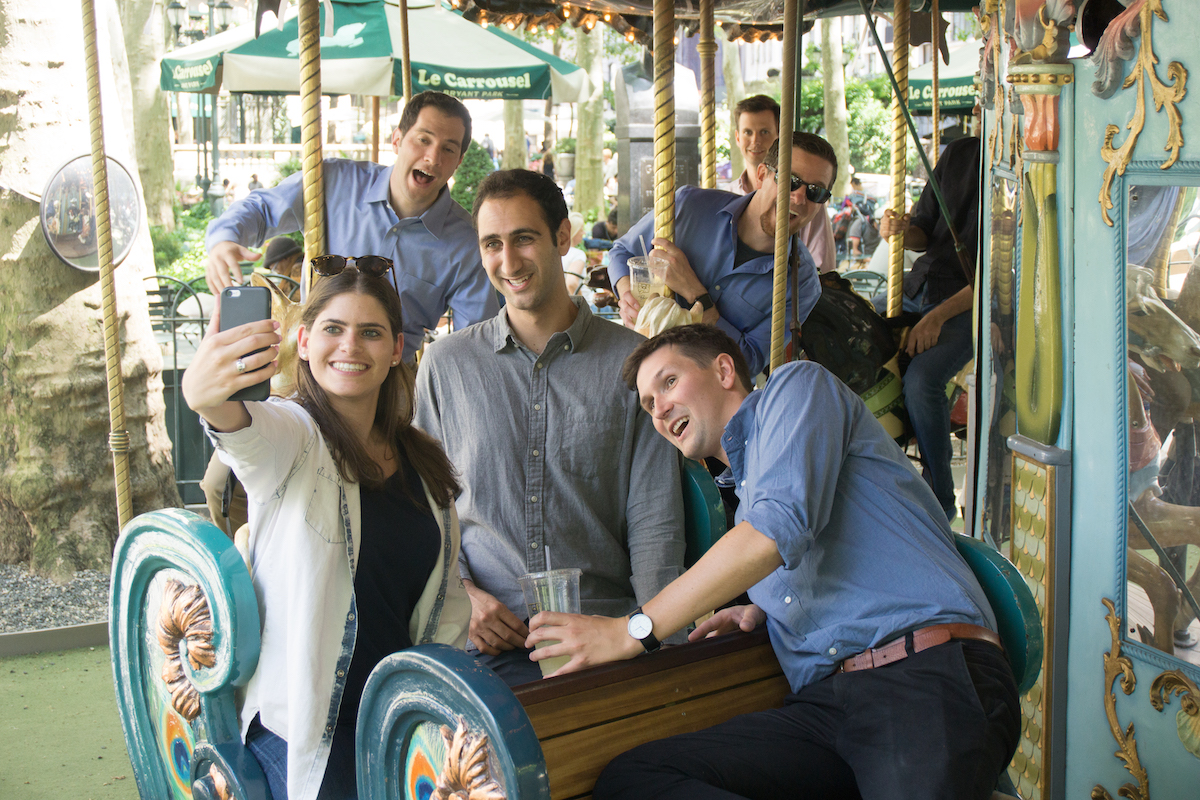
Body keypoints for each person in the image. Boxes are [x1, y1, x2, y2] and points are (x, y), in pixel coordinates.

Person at [527, 324, 1020, 800]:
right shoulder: (746, 498)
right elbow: (783, 537)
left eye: (669, 382)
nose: (660, 410)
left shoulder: (797, 387)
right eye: (649, 404)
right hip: (829, 707)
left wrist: (629, 631)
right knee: (635, 779)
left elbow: (774, 531)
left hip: (922, 675)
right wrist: (768, 608)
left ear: (724, 371)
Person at [181, 261, 471, 800]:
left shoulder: (423, 462)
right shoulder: (294, 437)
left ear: (396, 349)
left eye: (371, 332)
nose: (350, 346)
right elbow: (237, 423)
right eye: (333, 329)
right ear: (305, 342)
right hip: (308, 728)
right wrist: (205, 391)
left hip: (395, 718)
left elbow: (445, 603)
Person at [414, 170, 686, 686]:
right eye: (492, 244)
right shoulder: (446, 365)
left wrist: (655, 650)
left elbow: (655, 521)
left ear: (562, 238)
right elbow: (425, 506)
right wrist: (462, 596)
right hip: (484, 644)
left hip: (604, 634)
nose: (509, 262)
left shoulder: (632, 362)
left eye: (524, 239)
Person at [204, 91, 499, 363]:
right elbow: (262, 208)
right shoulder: (334, 182)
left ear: (459, 161)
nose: (433, 158)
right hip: (312, 368)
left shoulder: (466, 244)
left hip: (389, 388)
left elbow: (473, 344)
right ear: (397, 140)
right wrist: (225, 238)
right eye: (423, 140)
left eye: (448, 149)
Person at [607, 133, 832, 377]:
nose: (799, 197)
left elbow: (749, 362)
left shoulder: (803, 283)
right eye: (789, 180)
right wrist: (627, 292)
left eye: (815, 192)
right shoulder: (689, 205)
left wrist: (697, 294)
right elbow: (622, 250)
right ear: (761, 175)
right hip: (637, 363)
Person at [878, 135, 981, 521]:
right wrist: (901, 229)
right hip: (919, 284)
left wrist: (935, 318)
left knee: (922, 380)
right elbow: (923, 230)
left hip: (973, 301)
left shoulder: (1023, 166)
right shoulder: (959, 153)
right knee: (850, 330)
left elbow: (999, 272)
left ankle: (939, 497)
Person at [725, 95, 837, 273]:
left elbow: (822, 269)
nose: (755, 141)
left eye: (764, 132)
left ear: (779, 135)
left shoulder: (807, 202)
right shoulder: (726, 196)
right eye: (748, 132)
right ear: (737, 137)